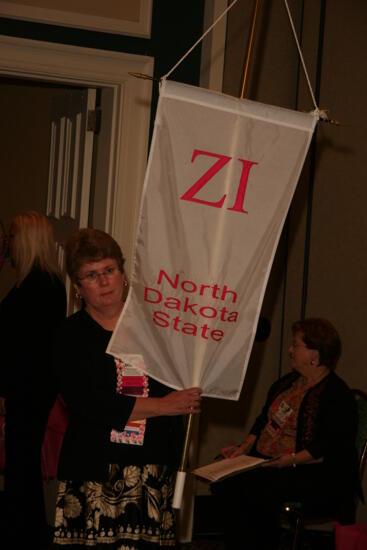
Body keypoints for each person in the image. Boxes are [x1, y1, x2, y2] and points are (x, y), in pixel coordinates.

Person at [52, 227, 202, 549]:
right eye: (91, 275)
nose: (104, 281)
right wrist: (164, 405)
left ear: (122, 272)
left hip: (151, 469)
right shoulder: (70, 336)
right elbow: (90, 403)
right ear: (78, 288)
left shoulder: (158, 328)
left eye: (109, 270)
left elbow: (181, 382)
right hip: (94, 473)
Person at [211, 318, 361, 550]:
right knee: (221, 473)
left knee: (254, 488)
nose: (290, 350)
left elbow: (328, 446)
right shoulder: (287, 383)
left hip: (312, 471)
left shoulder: (336, 395)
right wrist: (244, 448)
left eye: (296, 345)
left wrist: (287, 461)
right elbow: (264, 420)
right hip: (269, 462)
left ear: (315, 354)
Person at [0, 211, 67, 549]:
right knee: (20, 462)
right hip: (24, 387)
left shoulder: (43, 284)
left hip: (29, 389)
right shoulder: (32, 280)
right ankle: (24, 528)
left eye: (11, 235)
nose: (6, 242)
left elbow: (30, 345)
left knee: (21, 462)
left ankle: (24, 532)